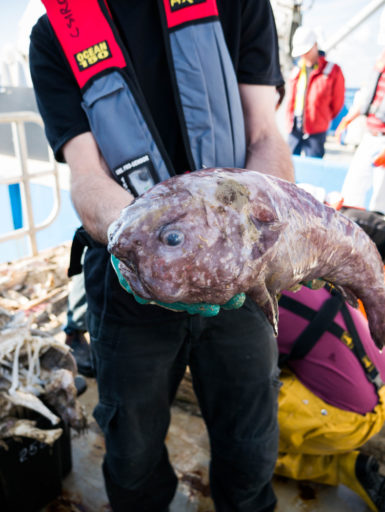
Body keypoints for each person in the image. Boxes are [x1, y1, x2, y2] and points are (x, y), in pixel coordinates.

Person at [29, 1, 294, 511]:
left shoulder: (240, 5)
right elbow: (87, 176)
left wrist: (245, 246)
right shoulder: (52, 36)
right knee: (131, 447)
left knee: (251, 439)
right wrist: (148, 248)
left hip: (242, 274)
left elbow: (264, 135)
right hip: (130, 277)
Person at [276, 284, 385, 512]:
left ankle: (337, 467)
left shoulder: (252, 305)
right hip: (378, 385)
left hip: (348, 419)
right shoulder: (301, 272)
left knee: (243, 431)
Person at [336, 48, 385, 215]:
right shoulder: (381, 59)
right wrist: (348, 119)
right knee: (351, 190)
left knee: (380, 199)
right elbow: (368, 95)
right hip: (370, 134)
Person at [286, 26, 345, 158]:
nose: (304, 55)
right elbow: (291, 100)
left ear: (315, 45)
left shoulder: (333, 71)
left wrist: (322, 118)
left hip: (316, 132)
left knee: (312, 167)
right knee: (287, 165)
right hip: (294, 129)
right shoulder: (296, 70)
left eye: (306, 50)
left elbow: (337, 103)